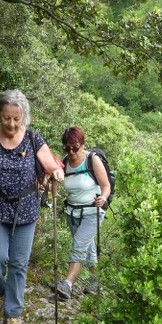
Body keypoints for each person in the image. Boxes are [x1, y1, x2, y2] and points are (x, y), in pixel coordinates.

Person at [0, 89, 64, 324]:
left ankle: (13, 311)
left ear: (24, 117)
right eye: (6, 117)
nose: (11, 123)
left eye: (16, 118)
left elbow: (48, 162)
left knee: (19, 263)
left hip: (26, 208)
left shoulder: (32, 138)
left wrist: (56, 172)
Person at [56, 126, 110, 300]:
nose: (71, 151)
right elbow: (57, 180)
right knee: (87, 248)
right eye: (67, 147)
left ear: (82, 144)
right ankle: (97, 278)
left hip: (92, 212)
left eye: (75, 147)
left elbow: (106, 185)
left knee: (79, 246)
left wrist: (103, 198)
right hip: (72, 213)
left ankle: (67, 284)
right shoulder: (65, 162)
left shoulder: (92, 159)